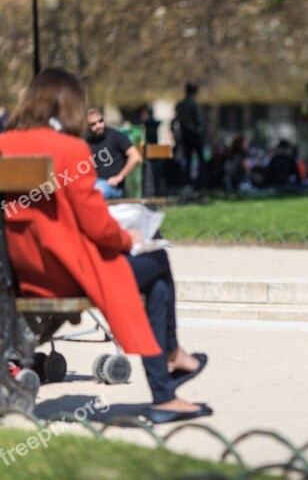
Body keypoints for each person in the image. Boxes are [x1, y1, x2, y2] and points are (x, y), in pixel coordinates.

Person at [0, 69, 211, 423]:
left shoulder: (4, 145)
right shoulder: (70, 149)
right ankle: (166, 382)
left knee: (153, 269)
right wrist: (130, 237)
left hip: (24, 276)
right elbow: (98, 225)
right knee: (157, 263)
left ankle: (171, 371)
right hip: (70, 274)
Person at [85, 108, 142, 199]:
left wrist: (120, 177)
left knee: (95, 193)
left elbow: (135, 156)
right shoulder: (87, 142)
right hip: (93, 183)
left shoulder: (116, 136)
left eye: (100, 121)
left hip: (111, 186)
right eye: (93, 124)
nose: (98, 125)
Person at [174, 82, 206, 189]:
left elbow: (177, 119)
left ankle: (187, 182)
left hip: (184, 134)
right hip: (194, 133)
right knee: (201, 158)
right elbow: (197, 121)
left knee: (188, 159)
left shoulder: (180, 105)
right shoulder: (193, 104)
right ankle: (200, 181)